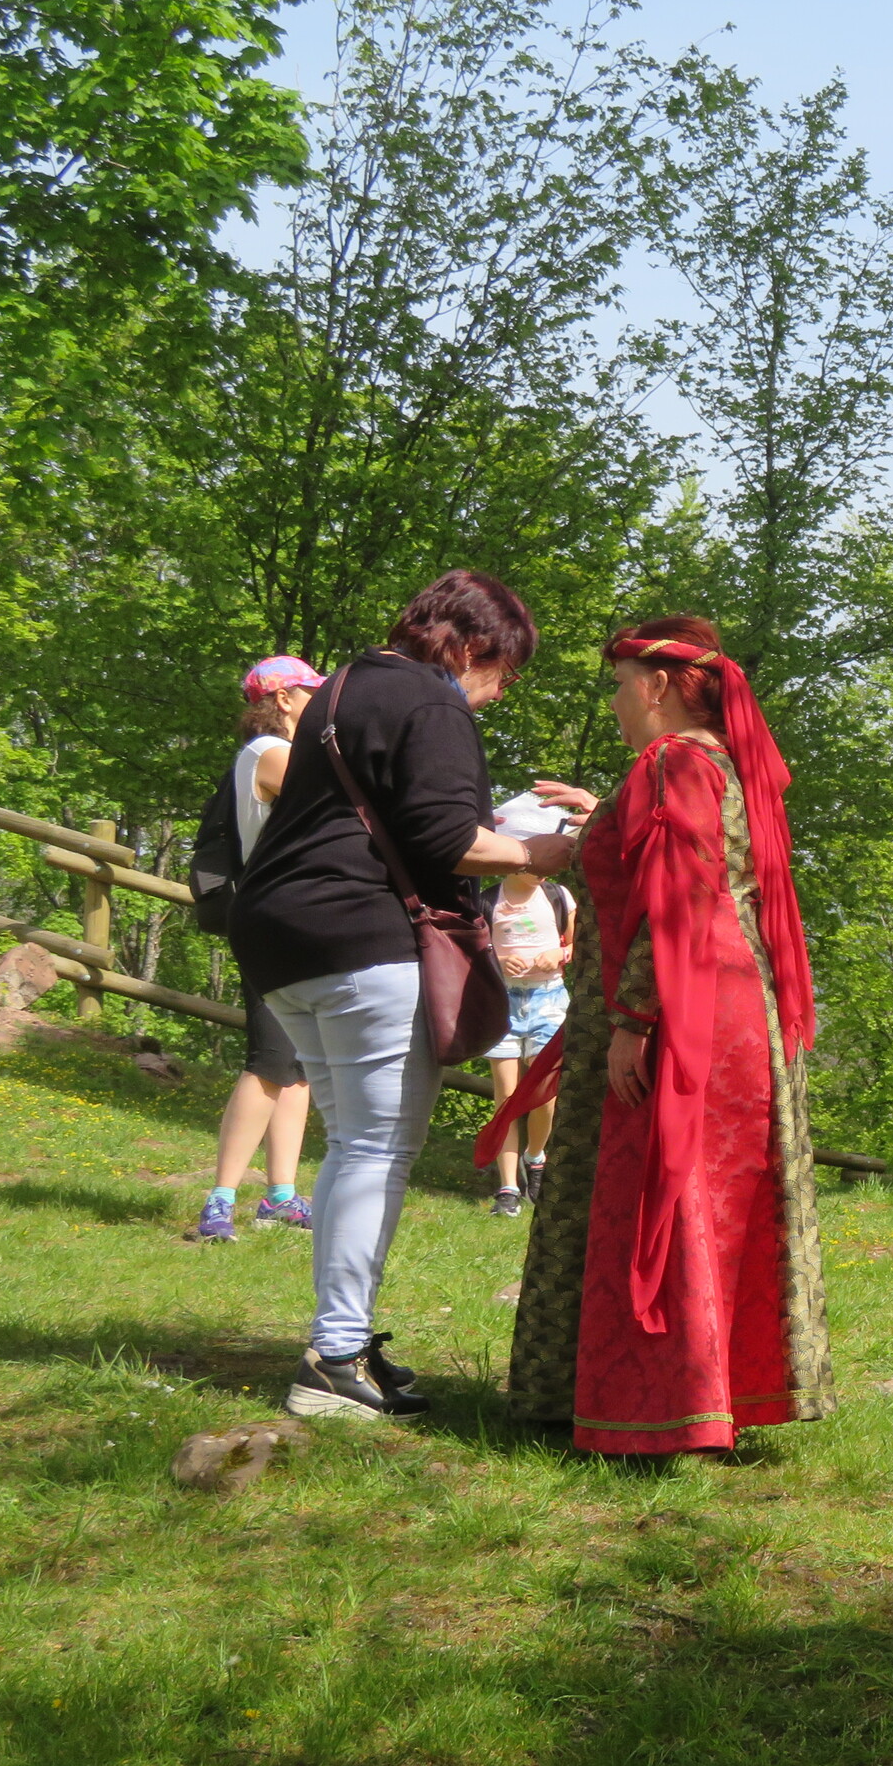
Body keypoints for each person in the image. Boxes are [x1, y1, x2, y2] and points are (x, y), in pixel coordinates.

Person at [230, 570, 576, 1422]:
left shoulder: (346, 682)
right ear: (472, 646)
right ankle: (335, 1358)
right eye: (505, 671)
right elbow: (449, 838)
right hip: (361, 934)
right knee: (375, 1148)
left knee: (352, 1143)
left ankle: (341, 1344)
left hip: (279, 934)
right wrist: (545, 854)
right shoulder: (432, 701)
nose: (501, 691)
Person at [490, 615, 831, 1455]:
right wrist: (605, 815)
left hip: (678, 1009)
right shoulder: (721, 762)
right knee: (717, 1192)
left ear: (660, 685)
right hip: (734, 1003)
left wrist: (634, 1020)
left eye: (619, 685)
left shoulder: (674, 761)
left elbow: (679, 901)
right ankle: (717, 1394)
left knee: (660, 1190)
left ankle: (656, 1409)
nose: (614, 702)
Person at [193, 655, 327, 1242]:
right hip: (274, 921)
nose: (319, 701)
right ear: (284, 699)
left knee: (297, 1067)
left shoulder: (279, 752)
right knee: (270, 1060)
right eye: (311, 692)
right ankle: (220, 1200)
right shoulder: (270, 753)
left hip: (298, 921)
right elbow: (339, 798)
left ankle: (280, 1196)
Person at [482, 796, 575, 1218]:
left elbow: (576, 944)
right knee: (505, 1096)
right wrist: (499, 961)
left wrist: (559, 954)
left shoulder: (558, 897)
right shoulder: (488, 900)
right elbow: (474, 952)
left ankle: (536, 1156)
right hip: (502, 1002)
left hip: (548, 1000)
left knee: (543, 1092)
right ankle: (507, 1187)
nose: (543, 868)